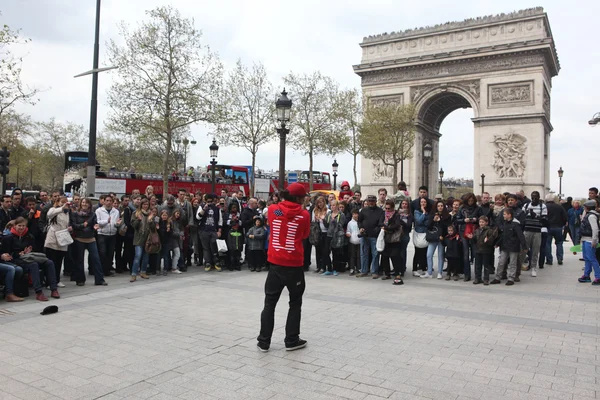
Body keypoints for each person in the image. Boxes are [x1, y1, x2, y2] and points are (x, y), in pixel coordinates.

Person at [257, 183, 310, 352]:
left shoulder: (273, 210)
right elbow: (304, 235)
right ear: (299, 198)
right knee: (295, 303)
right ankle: (291, 340)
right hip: (294, 264)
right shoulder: (304, 214)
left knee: (269, 303)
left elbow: (276, 217)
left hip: (275, 263)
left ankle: (264, 341)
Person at [1, 217, 60, 301]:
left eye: (23, 226)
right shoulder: (8, 238)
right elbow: (7, 254)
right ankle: (38, 292)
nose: (21, 228)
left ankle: (54, 289)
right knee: (33, 265)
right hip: (17, 260)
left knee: (49, 262)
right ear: (14, 226)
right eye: (19, 226)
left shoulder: (29, 236)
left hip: (29, 257)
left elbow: (35, 250)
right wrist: (19, 254)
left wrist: (29, 251)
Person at [70, 198, 107, 287]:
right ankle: (80, 280)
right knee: (80, 260)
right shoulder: (75, 214)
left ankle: (99, 280)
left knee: (96, 259)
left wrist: (96, 226)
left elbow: (94, 223)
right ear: (80, 204)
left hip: (91, 238)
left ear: (89, 204)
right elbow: (74, 225)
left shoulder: (93, 214)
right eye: (83, 202)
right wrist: (83, 225)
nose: (84, 204)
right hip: (79, 239)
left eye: (86, 203)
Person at [491, 208, 526, 286]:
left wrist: (524, 246)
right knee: (501, 262)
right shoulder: (505, 223)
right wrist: (498, 243)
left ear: (509, 215)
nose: (503, 216)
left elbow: (521, 236)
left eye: (504, 214)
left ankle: (511, 278)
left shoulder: (516, 224)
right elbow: (503, 235)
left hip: (513, 247)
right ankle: (498, 277)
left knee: (512, 263)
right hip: (505, 246)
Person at [44, 196, 71, 288]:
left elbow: (66, 223)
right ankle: (49, 282)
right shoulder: (53, 210)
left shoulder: (67, 213)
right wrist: (61, 208)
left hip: (63, 238)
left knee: (59, 261)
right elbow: (49, 215)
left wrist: (69, 228)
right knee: (51, 261)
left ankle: (57, 280)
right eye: (62, 202)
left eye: (66, 202)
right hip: (53, 238)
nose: (64, 204)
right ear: (58, 202)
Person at [357, 195, 384, 278]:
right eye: (369, 201)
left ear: (375, 201)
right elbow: (359, 221)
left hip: (374, 236)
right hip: (364, 235)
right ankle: (364, 271)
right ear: (367, 201)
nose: (371, 202)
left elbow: (381, 223)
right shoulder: (363, 210)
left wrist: (376, 231)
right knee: (363, 254)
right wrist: (361, 228)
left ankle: (374, 271)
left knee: (375, 254)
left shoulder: (380, 211)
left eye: (373, 201)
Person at [522, 191, 547, 277]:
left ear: (539, 197)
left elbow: (545, 220)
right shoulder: (526, 206)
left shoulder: (542, 206)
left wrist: (535, 216)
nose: (534, 199)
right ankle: (520, 265)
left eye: (536, 198)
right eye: (532, 197)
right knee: (523, 249)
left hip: (537, 231)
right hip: (527, 230)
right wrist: (526, 214)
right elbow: (522, 217)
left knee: (535, 251)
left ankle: (533, 268)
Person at [197, 193, 223, 272]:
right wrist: (204, 209)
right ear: (205, 201)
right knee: (206, 248)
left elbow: (220, 221)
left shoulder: (216, 209)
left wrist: (219, 231)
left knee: (214, 246)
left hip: (213, 230)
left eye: (211, 201)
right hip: (204, 230)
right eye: (208, 201)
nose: (210, 203)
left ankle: (216, 262)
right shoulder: (201, 207)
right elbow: (198, 217)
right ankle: (208, 262)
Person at [425, 200, 451, 279]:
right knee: (429, 255)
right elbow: (428, 226)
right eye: (438, 206)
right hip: (433, 238)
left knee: (441, 256)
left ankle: (440, 272)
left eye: (441, 206)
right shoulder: (432, 215)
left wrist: (441, 221)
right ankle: (429, 272)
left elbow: (447, 228)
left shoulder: (447, 216)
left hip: (441, 238)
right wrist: (433, 220)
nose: (440, 207)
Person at [96, 195, 120, 277]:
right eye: (107, 200)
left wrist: (117, 224)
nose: (109, 202)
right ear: (104, 201)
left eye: (110, 201)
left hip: (112, 234)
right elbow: (97, 222)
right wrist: (106, 221)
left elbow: (116, 222)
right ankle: (101, 270)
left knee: (110, 253)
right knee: (102, 253)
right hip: (102, 234)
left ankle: (107, 270)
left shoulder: (116, 211)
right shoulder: (99, 210)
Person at [379, 200, 403, 282]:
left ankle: (397, 274)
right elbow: (380, 223)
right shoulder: (383, 214)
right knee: (385, 257)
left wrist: (387, 228)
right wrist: (384, 227)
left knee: (395, 256)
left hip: (394, 239)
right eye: (386, 208)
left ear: (392, 208)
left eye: (389, 208)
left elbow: (396, 225)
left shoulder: (396, 215)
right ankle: (387, 274)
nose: (387, 210)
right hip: (385, 238)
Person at [577, 200, 600, 285]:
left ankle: (598, 276)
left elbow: (595, 229)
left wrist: (594, 240)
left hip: (590, 239)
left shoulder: (591, 216)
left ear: (587, 207)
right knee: (587, 258)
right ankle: (586, 275)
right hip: (585, 238)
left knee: (592, 258)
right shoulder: (589, 215)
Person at [131, 199, 152, 282]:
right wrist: (138, 220)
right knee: (138, 255)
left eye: (147, 204)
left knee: (146, 256)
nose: (145, 206)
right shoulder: (136, 213)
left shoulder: (151, 213)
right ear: (141, 205)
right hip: (139, 237)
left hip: (148, 238)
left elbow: (154, 227)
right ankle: (134, 274)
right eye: (144, 204)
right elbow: (133, 226)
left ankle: (143, 272)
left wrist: (151, 221)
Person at [473, 216, 497, 285]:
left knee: (486, 265)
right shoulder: (477, 230)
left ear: (486, 223)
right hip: (478, 250)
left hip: (486, 251)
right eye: (480, 222)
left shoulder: (489, 231)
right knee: (477, 265)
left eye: (483, 222)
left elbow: (491, 241)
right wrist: (472, 238)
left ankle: (486, 279)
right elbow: (474, 240)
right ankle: (477, 278)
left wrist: (487, 240)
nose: (481, 223)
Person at [544, 193, 567, 266]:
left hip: (548, 227)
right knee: (559, 243)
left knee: (547, 244)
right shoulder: (559, 207)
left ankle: (549, 260)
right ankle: (560, 258)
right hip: (558, 227)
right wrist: (562, 224)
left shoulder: (545, 207)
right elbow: (564, 217)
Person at [412, 197, 430, 277]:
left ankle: (424, 268)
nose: (423, 203)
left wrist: (424, 219)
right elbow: (418, 221)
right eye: (421, 202)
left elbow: (428, 222)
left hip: (426, 233)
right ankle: (414, 269)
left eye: (424, 202)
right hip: (418, 233)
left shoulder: (429, 212)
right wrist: (423, 213)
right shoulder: (416, 211)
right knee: (417, 252)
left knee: (425, 252)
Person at [346, 209, 361, 275]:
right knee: (352, 255)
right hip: (352, 240)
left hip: (359, 241)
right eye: (353, 214)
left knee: (359, 255)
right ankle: (352, 268)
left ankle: (359, 268)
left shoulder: (360, 222)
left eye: (356, 214)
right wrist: (348, 233)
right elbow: (348, 230)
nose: (355, 215)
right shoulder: (350, 223)